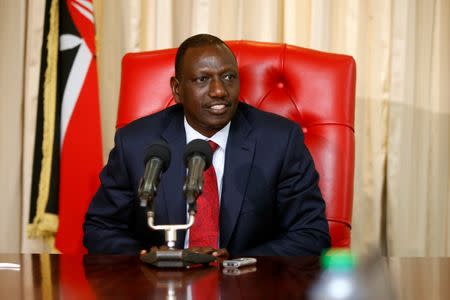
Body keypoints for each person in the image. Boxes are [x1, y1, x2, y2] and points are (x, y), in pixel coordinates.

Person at [83, 34, 330, 258]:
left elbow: (311, 234)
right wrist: (148, 257)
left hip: (246, 288)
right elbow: (100, 229)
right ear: (177, 90)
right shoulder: (136, 143)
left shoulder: (280, 141)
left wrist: (236, 263)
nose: (219, 91)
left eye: (228, 77)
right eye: (203, 79)